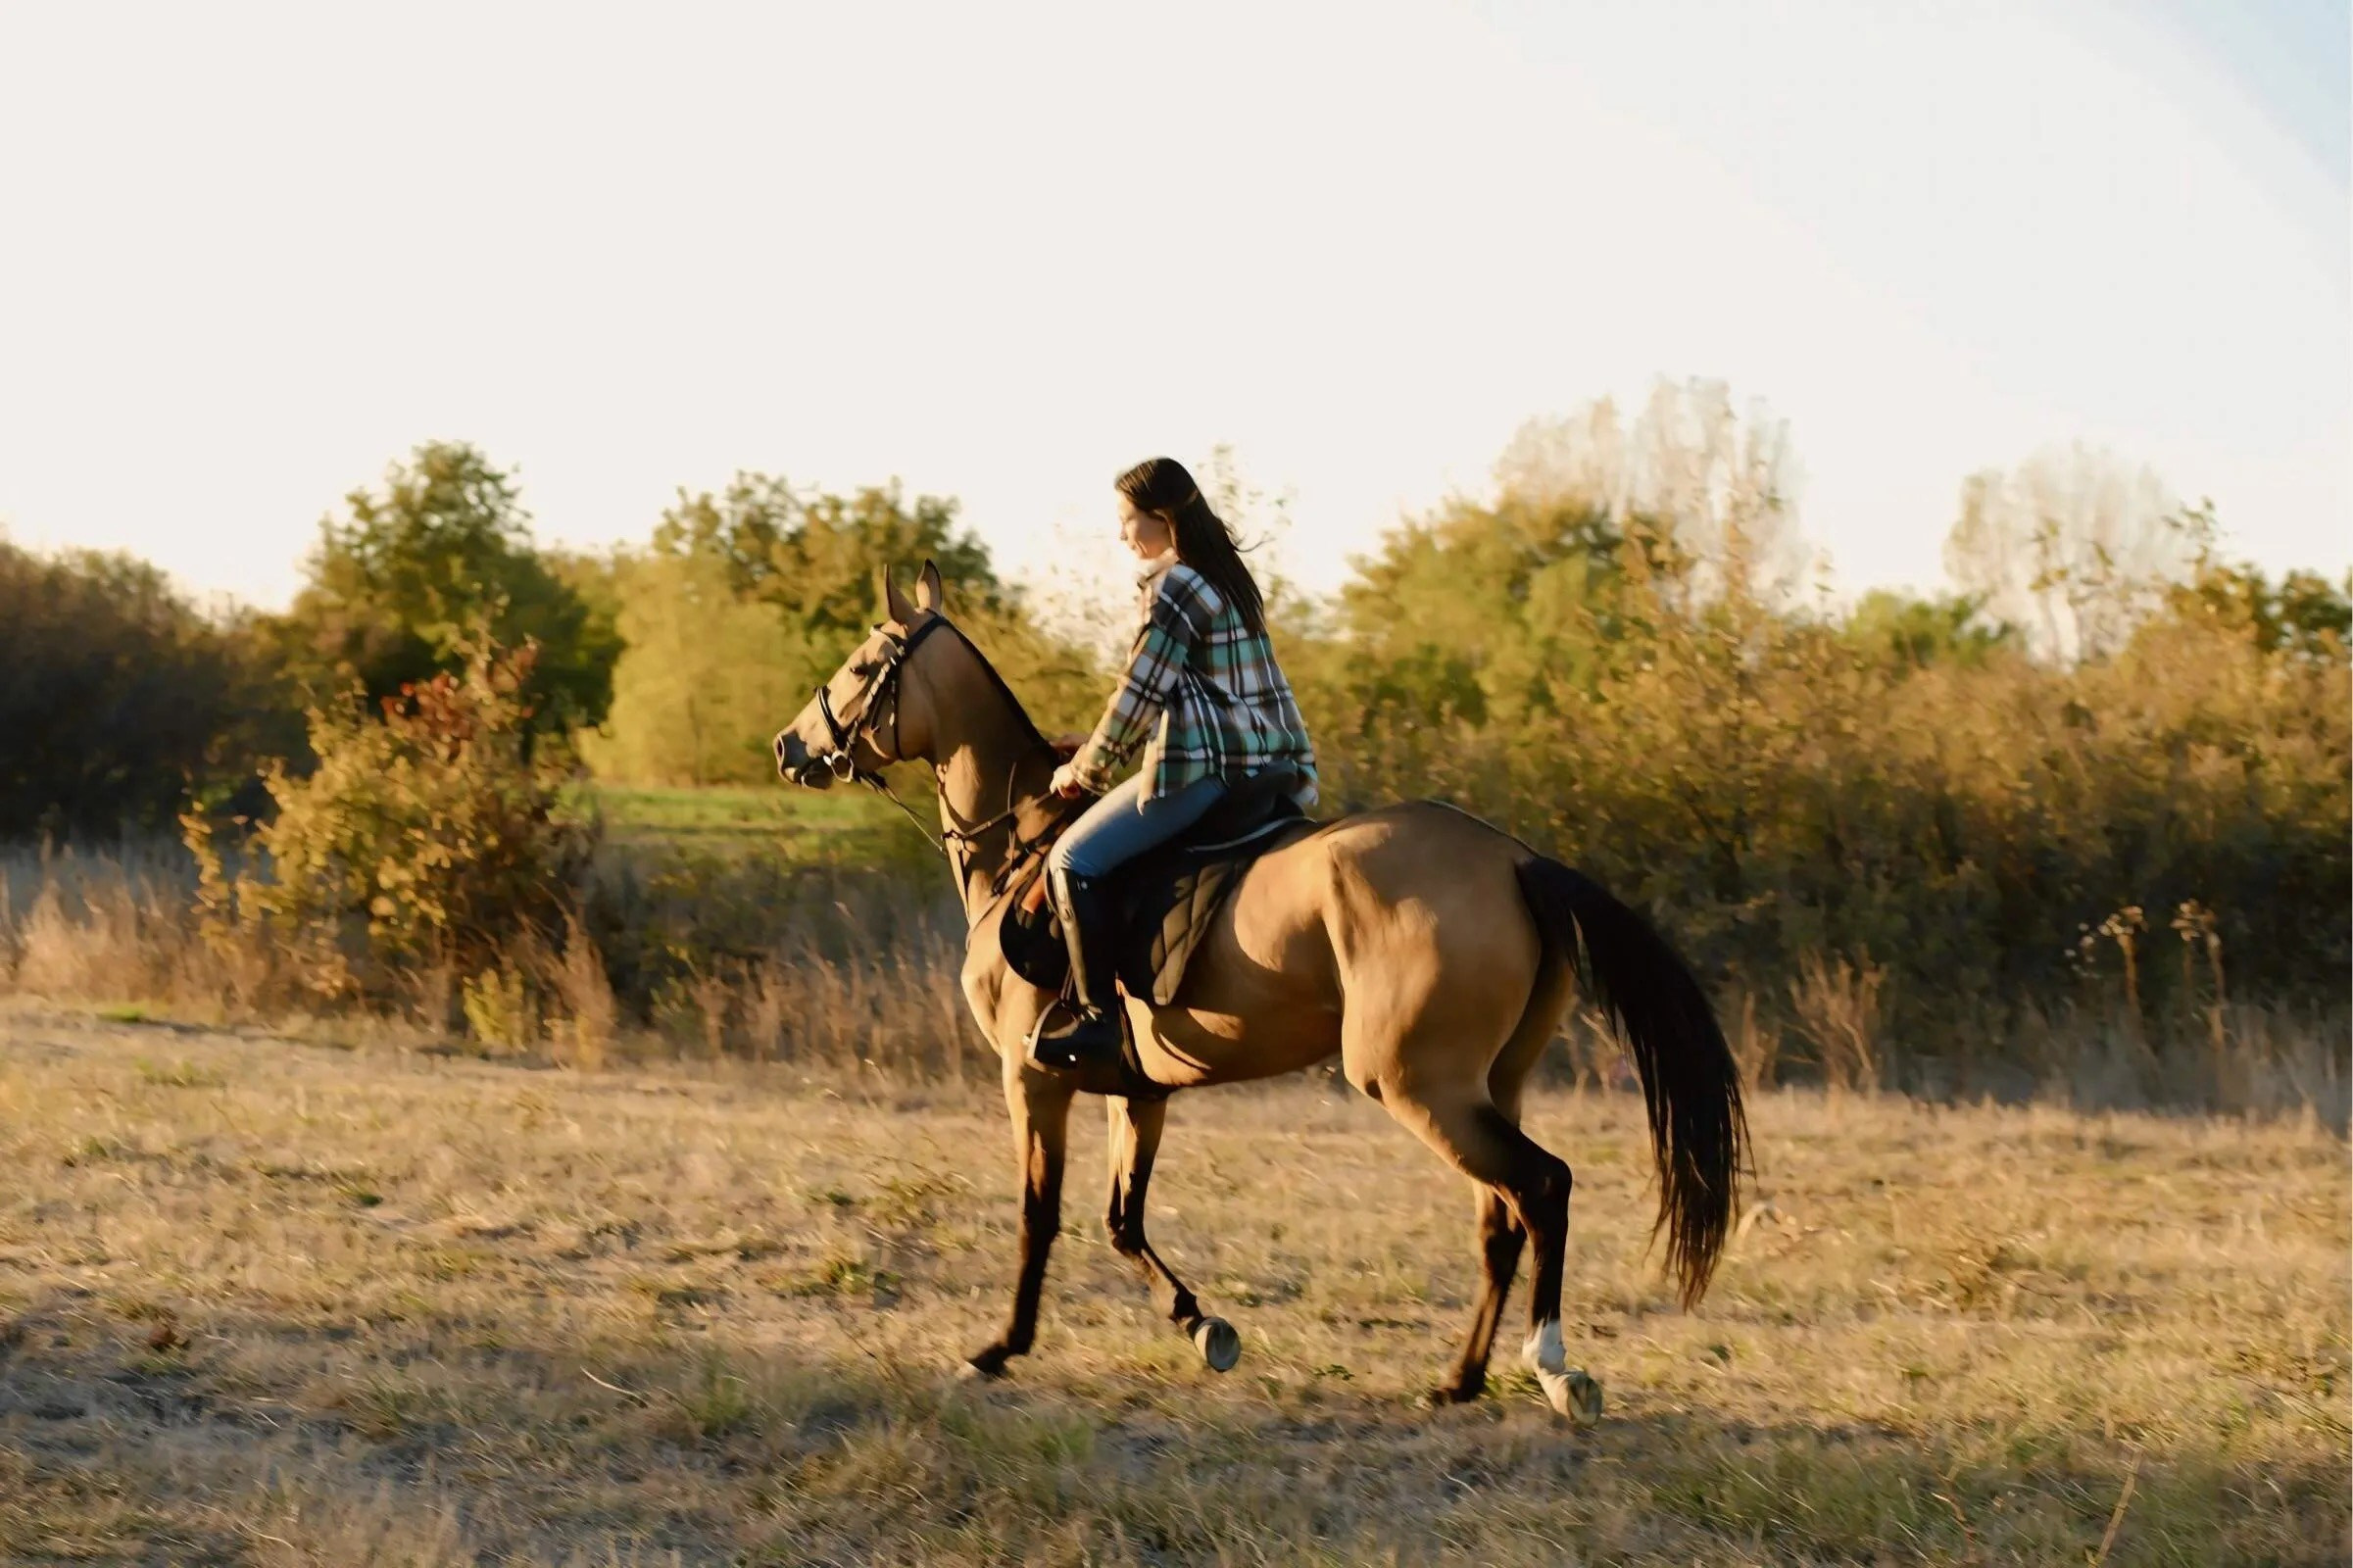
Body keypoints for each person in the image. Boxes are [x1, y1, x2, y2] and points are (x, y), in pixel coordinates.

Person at [1029, 457, 1319, 1073]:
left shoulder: (1175, 585)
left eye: (1126, 520)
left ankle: (1098, 1023)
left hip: (1206, 771)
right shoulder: (1226, 579)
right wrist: (1097, 742)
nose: (1121, 535)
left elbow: (1139, 691)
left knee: (1071, 860)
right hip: (1261, 764)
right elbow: (1214, 695)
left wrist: (1084, 770)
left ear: (1160, 517)